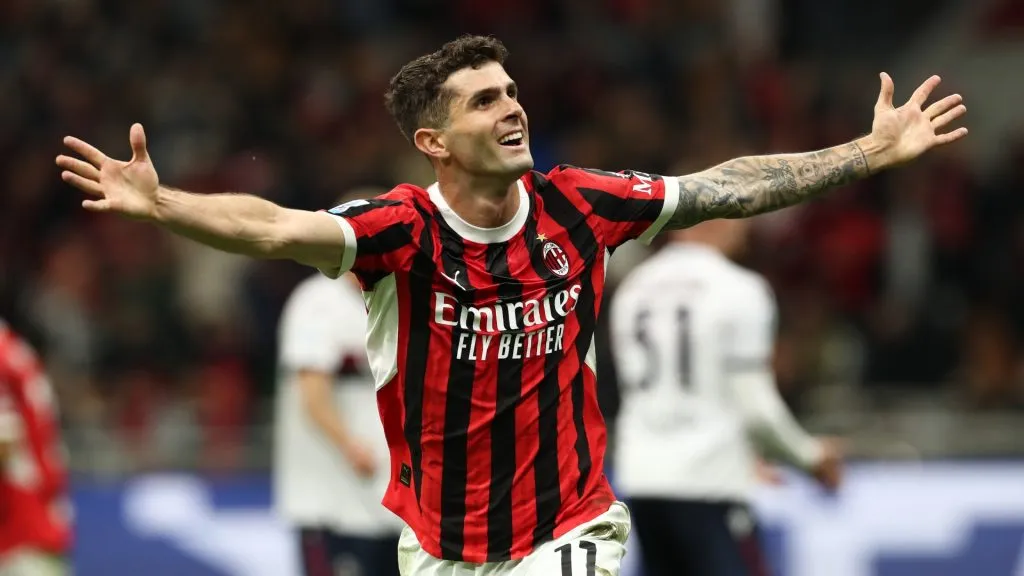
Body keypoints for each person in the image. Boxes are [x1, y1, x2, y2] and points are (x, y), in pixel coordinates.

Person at [55, 34, 966, 575]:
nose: (510, 107)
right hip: (440, 546)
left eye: (512, 91)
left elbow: (722, 188)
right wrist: (164, 203)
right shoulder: (397, 231)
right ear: (433, 140)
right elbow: (267, 226)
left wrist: (863, 154)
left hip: (569, 526)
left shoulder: (582, 203)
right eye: (483, 100)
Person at [610, 218, 842, 576]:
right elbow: (755, 405)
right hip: (708, 484)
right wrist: (810, 456)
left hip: (641, 478)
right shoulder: (740, 289)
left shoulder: (633, 288)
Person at [274, 188, 404, 576]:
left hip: (388, 502)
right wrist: (349, 446)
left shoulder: (394, 300)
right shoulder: (317, 301)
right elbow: (312, 393)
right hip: (328, 500)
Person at [0, 320, 71, 576]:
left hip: (20, 526)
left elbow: (5, 441)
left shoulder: (3, 358)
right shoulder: (13, 350)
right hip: (32, 520)